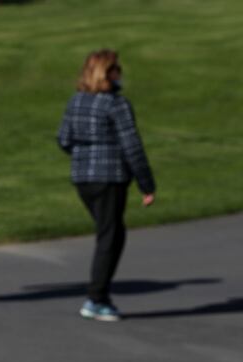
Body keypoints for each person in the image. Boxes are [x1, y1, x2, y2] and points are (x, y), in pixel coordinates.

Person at [57, 49, 156, 321]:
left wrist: (85, 153)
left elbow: (63, 139)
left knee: (111, 233)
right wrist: (146, 184)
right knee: (109, 236)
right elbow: (131, 146)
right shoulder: (116, 104)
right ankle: (96, 298)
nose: (120, 74)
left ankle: (98, 295)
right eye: (116, 69)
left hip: (82, 179)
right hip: (109, 177)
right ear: (106, 73)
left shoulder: (76, 101)